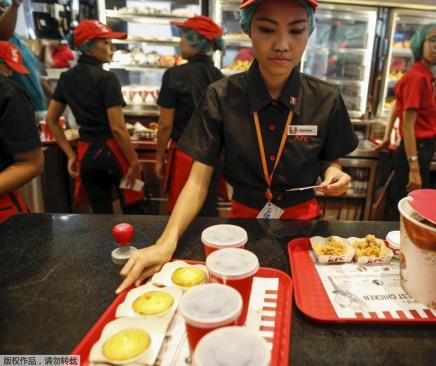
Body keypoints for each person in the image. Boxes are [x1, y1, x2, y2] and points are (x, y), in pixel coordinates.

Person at [116, 0, 359, 293]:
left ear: (310, 33)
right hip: (242, 225)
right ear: (248, 30)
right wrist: (164, 243)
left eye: (296, 31)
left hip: (304, 228)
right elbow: (197, 181)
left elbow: (329, 160)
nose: (283, 44)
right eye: (267, 29)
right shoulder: (220, 96)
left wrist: (336, 174)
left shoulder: (326, 98)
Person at [45, 20, 143, 214]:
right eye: (106, 43)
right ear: (90, 45)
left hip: (86, 154)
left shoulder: (67, 78)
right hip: (113, 153)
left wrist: (70, 154)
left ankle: (103, 245)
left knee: (100, 215)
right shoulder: (107, 79)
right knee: (134, 209)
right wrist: (134, 161)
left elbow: (51, 119)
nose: (112, 48)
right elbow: (118, 128)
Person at [156, 16, 225, 215]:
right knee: (208, 211)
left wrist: (160, 158)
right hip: (212, 157)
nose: (180, 42)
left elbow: (165, 125)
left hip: (186, 155)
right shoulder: (220, 77)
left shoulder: (174, 75)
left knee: (182, 212)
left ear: (195, 41)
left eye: (182, 37)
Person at [384, 23, 436, 220]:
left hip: (417, 150)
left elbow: (397, 104)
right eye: (432, 40)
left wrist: (387, 137)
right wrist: (414, 168)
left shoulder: (427, 76)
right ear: (420, 42)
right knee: (408, 210)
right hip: (416, 151)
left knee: (407, 206)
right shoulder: (417, 78)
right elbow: (407, 125)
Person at [0, 41, 44, 222]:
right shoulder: (9, 91)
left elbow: (30, 163)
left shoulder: (8, 92)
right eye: (9, 69)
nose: (10, 74)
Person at [0, 0, 49, 113]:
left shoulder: (19, 41)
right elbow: (2, 35)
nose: (1, 9)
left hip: (38, 109)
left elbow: (35, 75)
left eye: (4, 6)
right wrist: (15, 6)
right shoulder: (3, 41)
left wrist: (58, 97)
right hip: (18, 111)